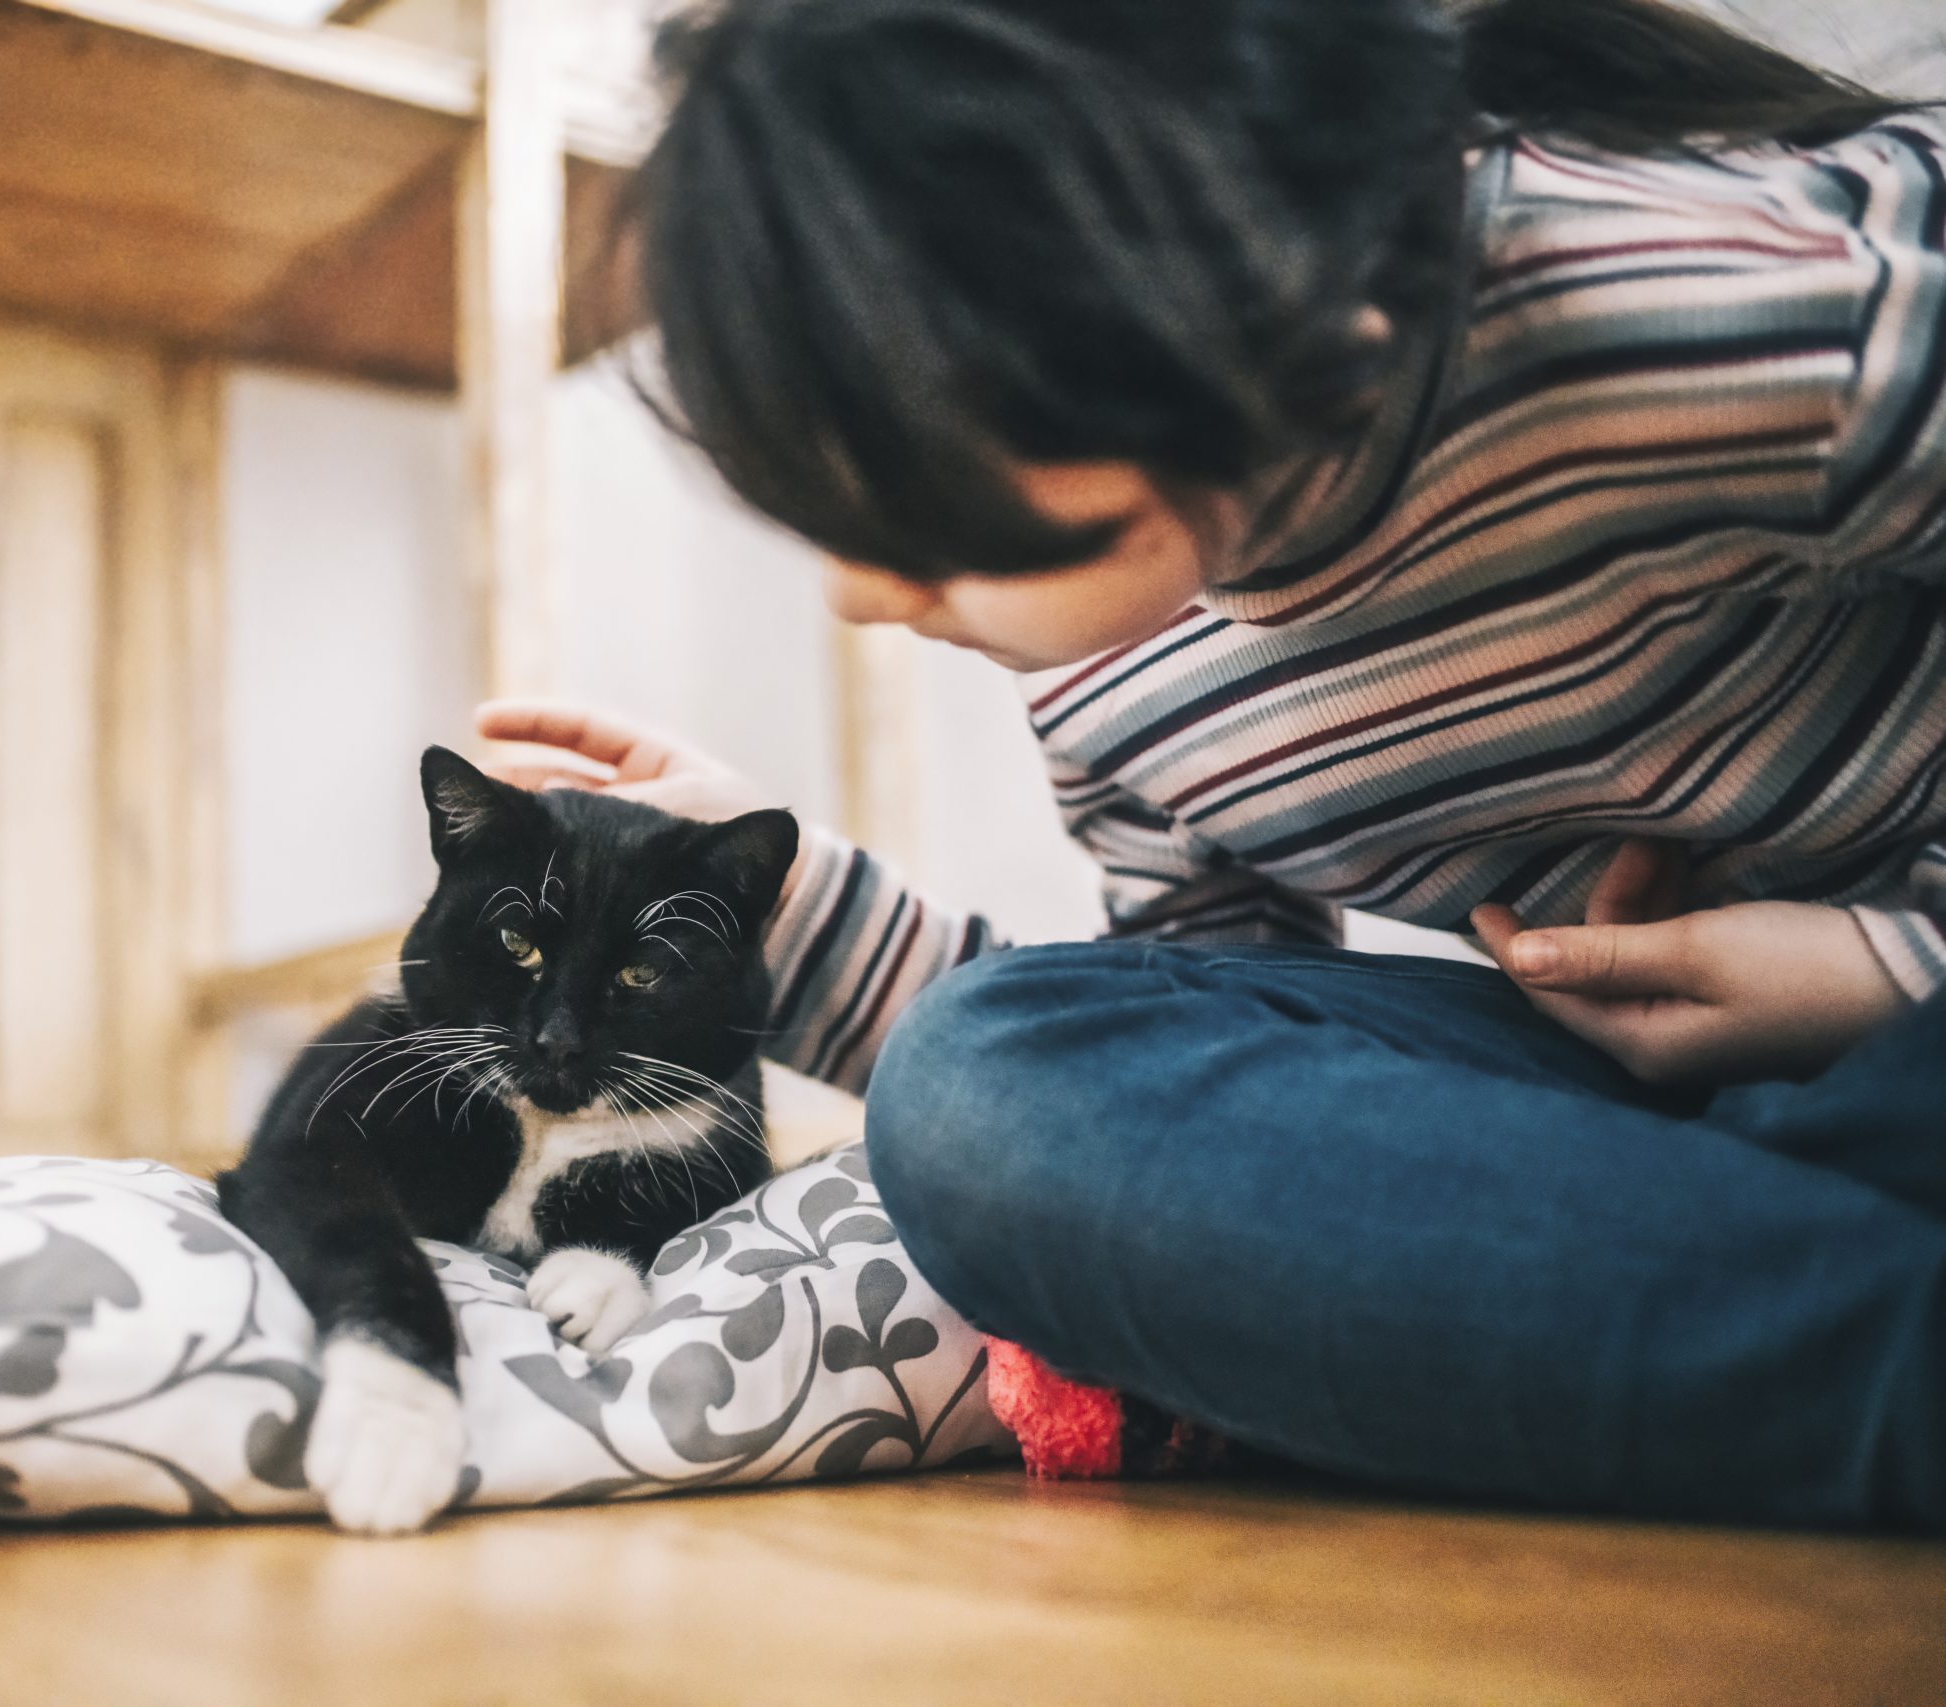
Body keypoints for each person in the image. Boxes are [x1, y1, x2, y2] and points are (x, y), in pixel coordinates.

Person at [480, 0, 1946, 1530]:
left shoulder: (1704, 310)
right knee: (989, 1090)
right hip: (1657, 1129)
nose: (857, 594)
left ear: (1181, 327)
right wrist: (779, 917)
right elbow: (1210, 1054)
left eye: (921, 513)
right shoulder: (1107, 665)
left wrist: (1890, 968)